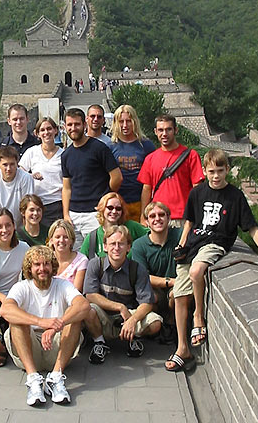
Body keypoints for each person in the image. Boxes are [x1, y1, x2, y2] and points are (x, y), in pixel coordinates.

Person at [166, 149, 258, 372]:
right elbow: (189, 221)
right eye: (211, 172)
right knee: (179, 294)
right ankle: (182, 348)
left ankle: (198, 317)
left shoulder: (235, 196)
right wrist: (182, 243)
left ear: (227, 170)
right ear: (205, 171)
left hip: (217, 241)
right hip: (194, 243)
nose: (216, 176)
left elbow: (251, 227)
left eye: (219, 171)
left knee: (197, 272)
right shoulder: (197, 193)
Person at [1, 246, 90, 406]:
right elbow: (5, 310)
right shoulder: (21, 287)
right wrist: (40, 322)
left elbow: (83, 306)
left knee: (74, 316)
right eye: (37, 264)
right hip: (29, 349)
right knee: (16, 319)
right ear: (30, 268)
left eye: (46, 264)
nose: (42, 268)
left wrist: (58, 324)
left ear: (53, 265)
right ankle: (33, 379)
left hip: (57, 350)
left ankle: (55, 377)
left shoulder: (62, 285)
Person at [83, 225, 162, 364]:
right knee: (88, 310)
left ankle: (134, 337)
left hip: (129, 315)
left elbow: (147, 302)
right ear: (105, 246)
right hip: (104, 316)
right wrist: (120, 307)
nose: (117, 247)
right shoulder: (95, 264)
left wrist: (133, 320)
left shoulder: (137, 269)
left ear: (128, 247)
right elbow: (90, 295)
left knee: (155, 323)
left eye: (121, 243)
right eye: (113, 243)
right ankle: (99, 343)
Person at [61, 108, 123, 249]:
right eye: (69, 125)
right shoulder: (66, 155)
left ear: (84, 124)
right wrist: (66, 214)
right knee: (77, 258)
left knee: (99, 255)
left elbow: (117, 177)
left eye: (77, 124)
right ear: (65, 127)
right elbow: (66, 187)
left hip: (95, 214)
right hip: (74, 215)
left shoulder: (99, 148)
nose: (73, 128)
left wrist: (105, 198)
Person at [138, 114, 204, 227]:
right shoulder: (150, 159)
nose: (164, 134)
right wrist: (144, 216)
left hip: (183, 217)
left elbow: (197, 188)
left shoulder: (191, 156)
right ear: (155, 131)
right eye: (160, 130)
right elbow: (146, 189)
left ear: (175, 130)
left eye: (168, 129)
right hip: (157, 217)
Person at [132, 202, 181, 340]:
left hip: (177, 287)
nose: (157, 219)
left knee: (176, 294)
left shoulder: (179, 236)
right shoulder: (139, 245)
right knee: (150, 296)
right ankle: (159, 323)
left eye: (161, 215)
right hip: (155, 288)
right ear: (147, 222)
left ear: (169, 218)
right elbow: (143, 277)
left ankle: (172, 324)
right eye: (152, 216)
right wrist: (170, 281)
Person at [108, 105, 155, 221]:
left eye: (128, 121)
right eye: (121, 121)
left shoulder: (146, 145)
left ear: (134, 122)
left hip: (141, 200)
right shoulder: (110, 146)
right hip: (118, 202)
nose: (125, 125)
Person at [19, 117, 64, 226]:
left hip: (57, 204)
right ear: (37, 133)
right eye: (42, 130)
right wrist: (31, 176)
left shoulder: (63, 154)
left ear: (55, 130)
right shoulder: (32, 152)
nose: (46, 132)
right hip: (37, 205)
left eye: (49, 129)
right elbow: (19, 173)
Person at [80, 192, 149, 259]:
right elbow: (81, 260)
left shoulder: (131, 226)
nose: (114, 211)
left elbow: (152, 236)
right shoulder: (93, 236)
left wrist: (137, 248)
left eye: (118, 209)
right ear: (102, 208)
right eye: (110, 208)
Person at [0, 146, 34, 226]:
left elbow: (27, 208)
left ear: (17, 163)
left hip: (21, 226)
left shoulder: (26, 178)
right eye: (5, 165)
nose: (9, 169)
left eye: (12, 164)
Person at [0, 104, 39, 171]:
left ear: (27, 119)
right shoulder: (1, 146)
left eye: (21, 119)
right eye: (15, 119)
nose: (18, 122)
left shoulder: (38, 145)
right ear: (9, 121)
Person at [47, 219, 88, 292]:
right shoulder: (46, 259)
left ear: (71, 240)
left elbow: (76, 291)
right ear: (51, 240)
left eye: (66, 237)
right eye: (57, 237)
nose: (61, 240)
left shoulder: (81, 260)